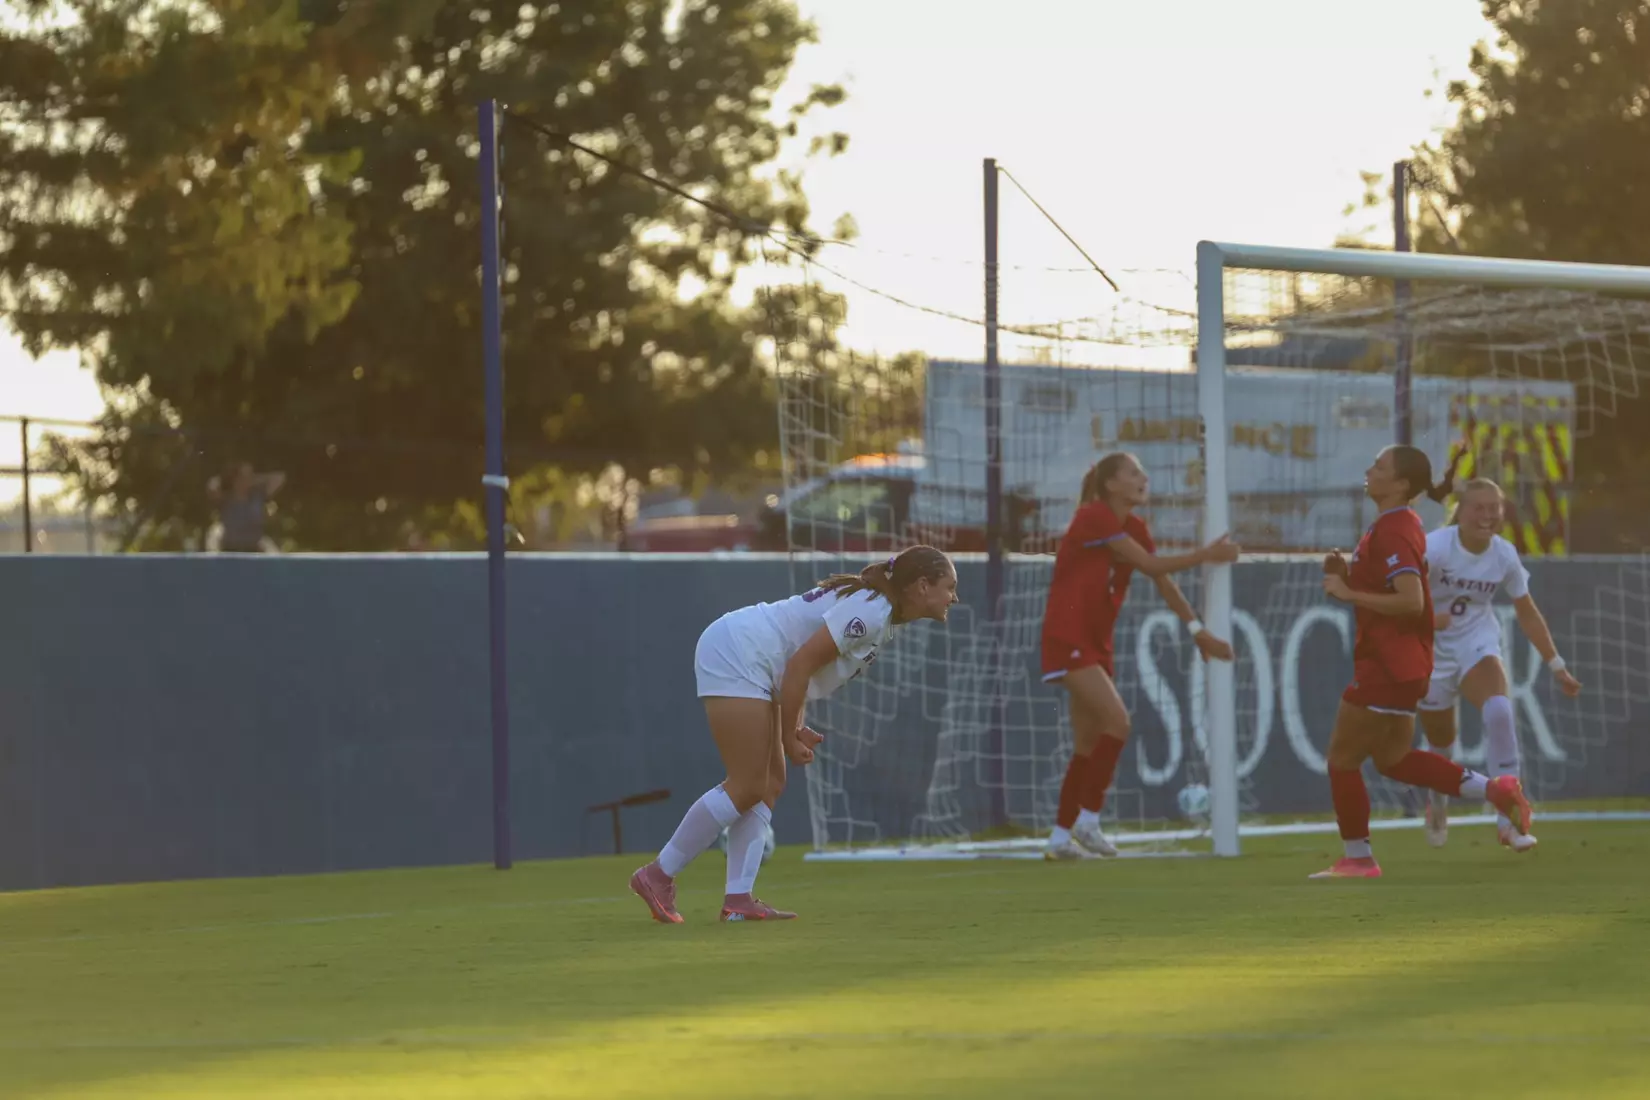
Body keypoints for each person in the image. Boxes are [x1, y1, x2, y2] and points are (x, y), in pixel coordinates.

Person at [630, 545, 959, 922]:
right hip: (738, 651)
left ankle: (738, 900)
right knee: (749, 782)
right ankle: (657, 875)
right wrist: (789, 736)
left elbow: (800, 671)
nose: (954, 596)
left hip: (758, 662)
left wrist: (795, 726)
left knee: (769, 782)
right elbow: (800, 666)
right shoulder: (871, 612)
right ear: (921, 586)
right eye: (949, 586)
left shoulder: (879, 611)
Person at [1314, 445, 1532, 880]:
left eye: (1379, 466)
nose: (1369, 470)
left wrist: (1348, 592)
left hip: (1387, 665)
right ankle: (1496, 788)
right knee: (1394, 759)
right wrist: (1349, 574)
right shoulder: (1399, 525)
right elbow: (1398, 588)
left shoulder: (1395, 528)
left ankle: (1358, 857)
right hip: (1402, 666)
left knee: (1342, 759)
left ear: (1400, 484)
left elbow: (1411, 601)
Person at [1039, 452, 1238, 861]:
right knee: (1118, 722)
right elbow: (1150, 564)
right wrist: (1206, 555)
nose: (1143, 478)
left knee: (1088, 742)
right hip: (1069, 635)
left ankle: (1060, 838)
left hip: (1096, 640)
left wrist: (1197, 631)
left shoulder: (1133, 526)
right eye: (1133, 472)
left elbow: (1161, 580)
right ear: (1111, 484)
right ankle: (1088, 821)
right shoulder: (1093, 516)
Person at [1419, 478, 1583, 852]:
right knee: (1441, 744)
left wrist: (1557, 665)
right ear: (1460, 511)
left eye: (1495, 508)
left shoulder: (1503, 554)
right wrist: (1427, 621)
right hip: (1430, 652)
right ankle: (1438, 802)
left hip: (1476, 644)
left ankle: (1509, 822)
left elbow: (1527, 613)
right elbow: (1399, 596)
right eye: (1480, 507)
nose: (1488, 515)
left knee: (1499, 711)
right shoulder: (1434, 548)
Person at [207, 462, 285, 553]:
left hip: (255, 543)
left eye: (250, 475)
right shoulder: (226, 498)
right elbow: (211, 486)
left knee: (271, 549)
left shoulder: (257, 496)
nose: (247, 479)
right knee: (214, 534)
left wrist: (255, 480)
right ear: (236, 478)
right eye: (244, 476)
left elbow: (280, 477)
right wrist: (225, 478)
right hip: (230, 543)